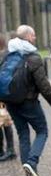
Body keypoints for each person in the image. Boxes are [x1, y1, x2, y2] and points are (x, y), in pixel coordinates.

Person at [0, 25, 51, 176]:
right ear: (28, 37)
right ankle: (32, 162)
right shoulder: (33, 57)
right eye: (34, 35)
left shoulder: (5, 53)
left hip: (10, 102)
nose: (34, 38)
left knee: (23, 134)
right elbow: (44, 86)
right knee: (42, 130)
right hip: (29, 102)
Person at [0, 34, 16, 162]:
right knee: (5, 121)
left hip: (2, 92)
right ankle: (10, 149)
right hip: (7, 92)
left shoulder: (2, 56)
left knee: (3, 121)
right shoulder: (8, 54)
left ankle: (3, 150)